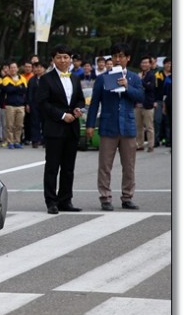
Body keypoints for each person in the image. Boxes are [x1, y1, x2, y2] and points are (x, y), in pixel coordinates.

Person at [86, 42, 144, 211]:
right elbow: (95, 102)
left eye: (121, 56)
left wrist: (127, 86)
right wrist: (90, 125)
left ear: (128, 58)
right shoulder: (103, 78)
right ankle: (105, 197)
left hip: (127, 126)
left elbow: (140, 96)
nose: (118, 59)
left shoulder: (133, 78)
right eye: (115, 56)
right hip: (108, 126)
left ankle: (127, 197)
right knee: (105, 165)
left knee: (129, 165)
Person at [37, 45, 86, 214]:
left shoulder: (75, 78)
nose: (63, 60)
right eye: (59, 57)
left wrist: (78, 110)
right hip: (55, 128)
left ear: (70, 59)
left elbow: (80, 99)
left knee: (68, 167)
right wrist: (62, 115)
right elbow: (43, 103)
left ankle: (66, 200)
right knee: (52, 167)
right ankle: (51, 201)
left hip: (72, 127)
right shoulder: (46, 79)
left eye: (66, 57)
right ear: (53, 60)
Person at [134, 56, 156, 152]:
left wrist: (141, 80)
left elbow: (150, 87)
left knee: (149, 126)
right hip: (137, 104)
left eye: (146, 62)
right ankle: (140, 144)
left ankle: (151, 145)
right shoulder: (138, 74)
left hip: (147, 104)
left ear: (150, 64)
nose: (144, 64)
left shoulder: (152, 75)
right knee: (138, 126)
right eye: (143, 62)